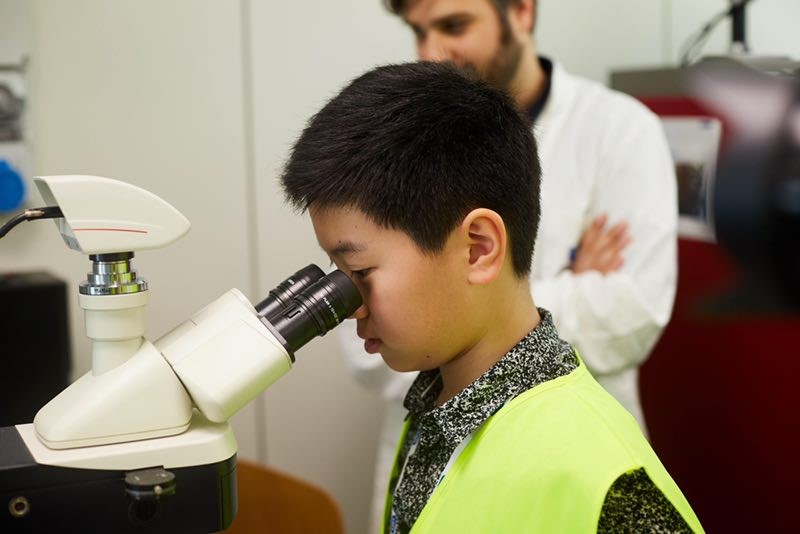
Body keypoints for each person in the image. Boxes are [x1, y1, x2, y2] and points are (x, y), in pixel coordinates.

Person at [280, 62, 700, 533]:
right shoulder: (434, 408)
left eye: (359, 272)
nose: (348, 306)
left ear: (478, 248)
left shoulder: (610, 488)